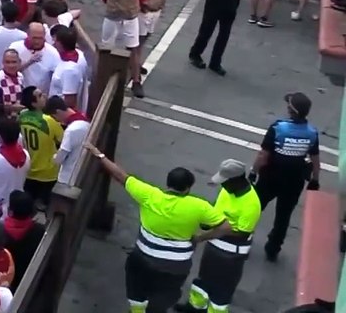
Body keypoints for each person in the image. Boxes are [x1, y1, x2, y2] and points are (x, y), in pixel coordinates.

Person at [85, 142, 231, 313]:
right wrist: (200, 237)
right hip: (176, 265)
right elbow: (226, 227)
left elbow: (119, 175)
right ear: (188, 189)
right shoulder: (199, 206)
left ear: (168, 184)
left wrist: (98, 154)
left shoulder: (149, 195)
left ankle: (137, 309)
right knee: (166, 294)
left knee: (136, 285)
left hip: (143, 258)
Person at [177, 159, 261, 313]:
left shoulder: (251, 203)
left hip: (231, 255)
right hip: (214, 246)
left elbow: (241, 233)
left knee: (222, 290)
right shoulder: (227, 190)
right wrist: (208, 221)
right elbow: (217, 209)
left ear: (236, 180)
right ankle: (195, 307)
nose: (222, 185)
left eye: (225, 182)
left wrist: (206, 235)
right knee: (203, 280)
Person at [252, 91, 321, 261]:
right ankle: (273, 248)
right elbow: (315, 159)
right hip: (294, 180)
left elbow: (263, 155)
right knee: (283, 216)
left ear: (291, 110)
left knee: (254, 208)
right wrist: (315, 180)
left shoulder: (278, 128)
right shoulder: (312, 133)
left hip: (270, 177)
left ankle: (242, 237)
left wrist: (253, 172)